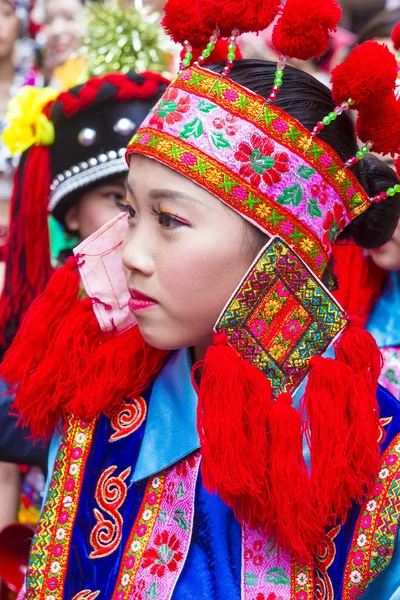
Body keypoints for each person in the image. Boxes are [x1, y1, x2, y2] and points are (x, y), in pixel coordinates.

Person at [2, 0, 400, 598]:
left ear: (277, 253)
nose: (130, 253)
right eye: (130, 211)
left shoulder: (373, 448)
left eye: (169, 219)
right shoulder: (99, 412)